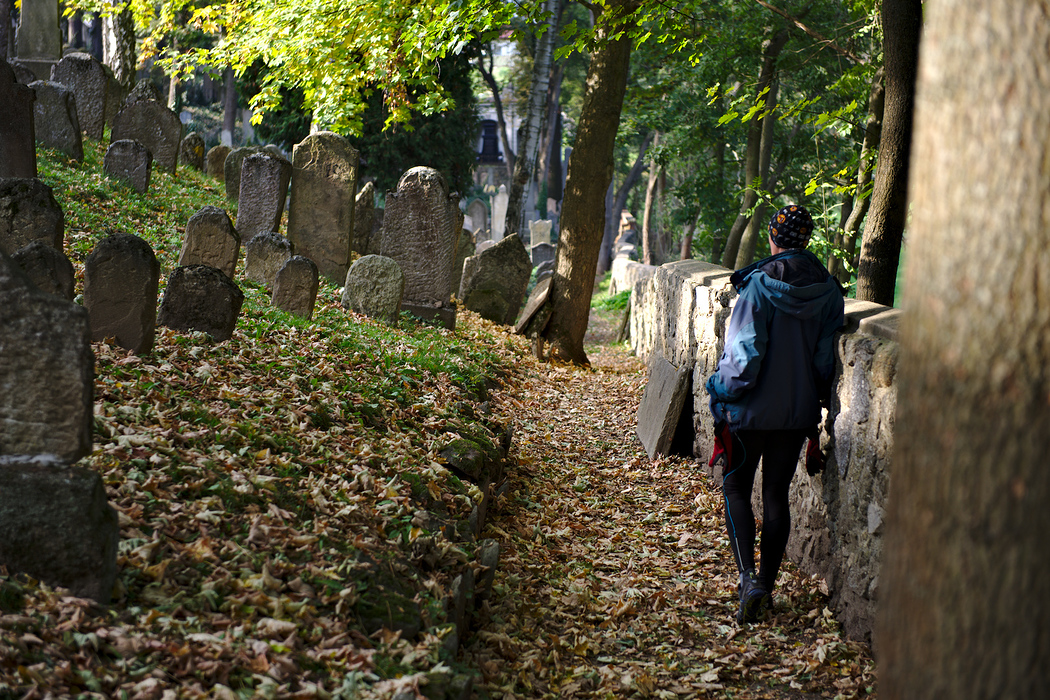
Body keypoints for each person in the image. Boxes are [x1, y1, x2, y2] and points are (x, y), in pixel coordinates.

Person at [705, 204, 845, 624]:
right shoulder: (829, 291)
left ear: (772, 238)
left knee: (735, 488)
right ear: (805, 241)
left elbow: (743, 361)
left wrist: (717, 389)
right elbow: (825, 363)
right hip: (795, 414)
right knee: (776, 495)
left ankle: (748, 579)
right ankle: (767, 583)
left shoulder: (757, 288)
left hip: (748, 414)